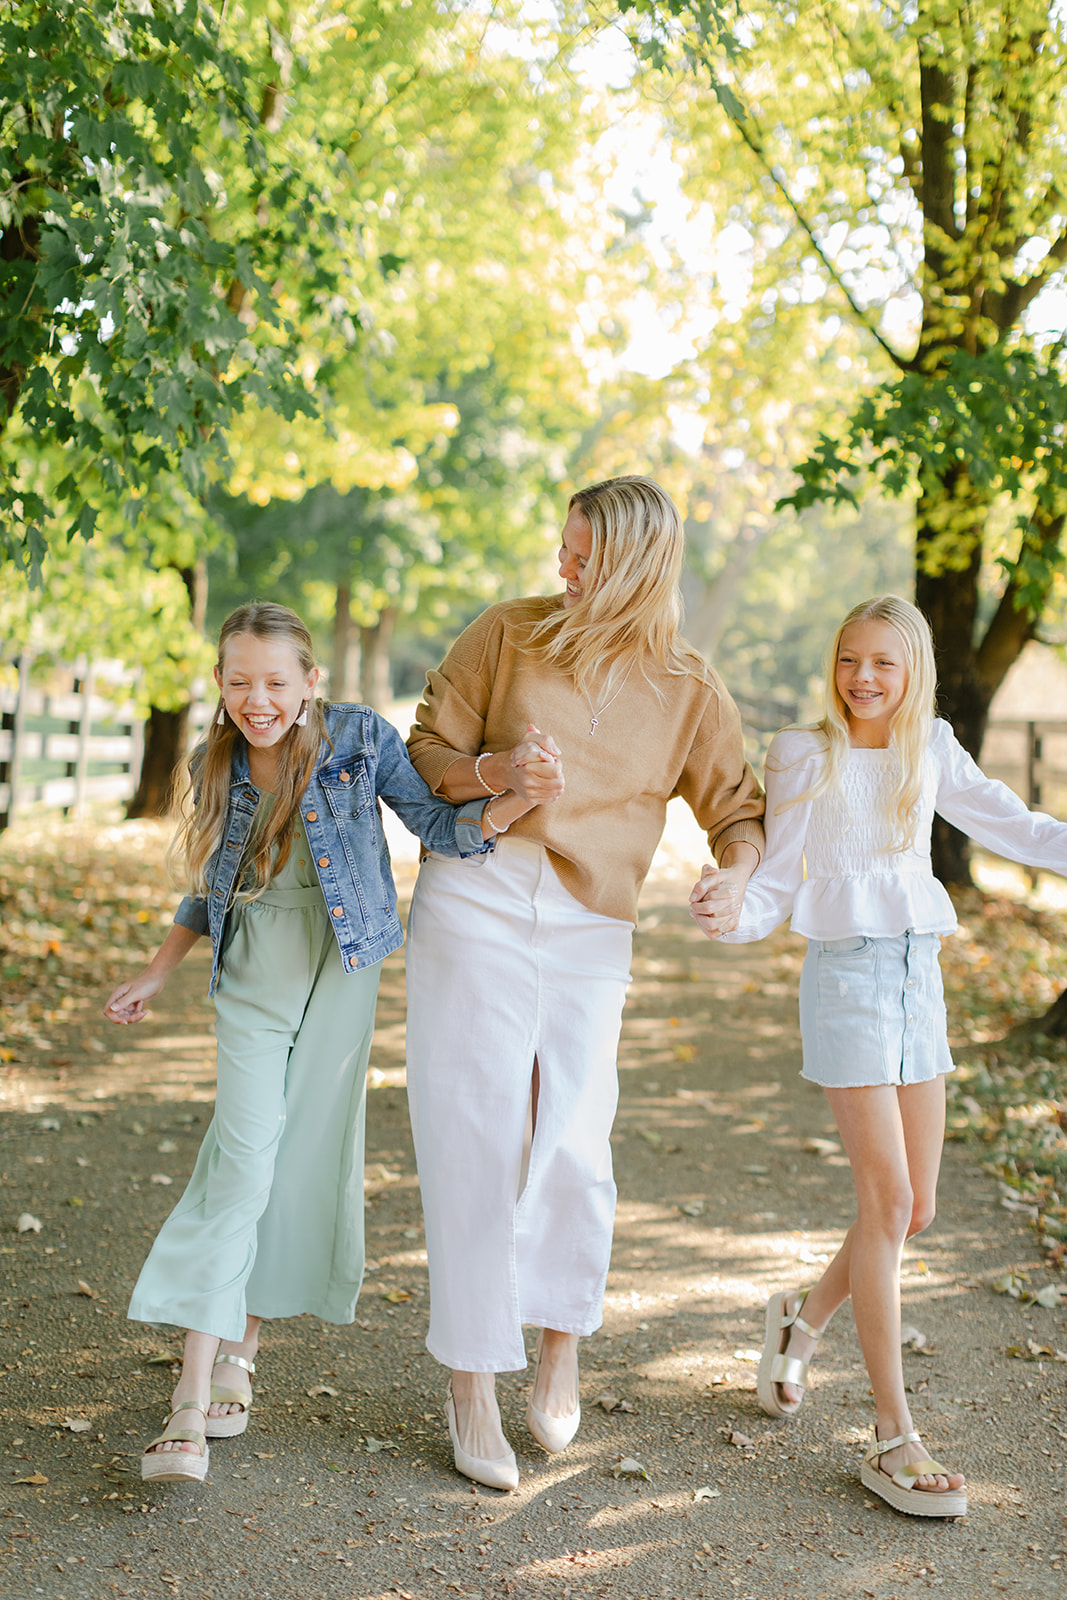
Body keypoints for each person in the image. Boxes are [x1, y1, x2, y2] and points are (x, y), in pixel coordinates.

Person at [103, 601, 553, 1486]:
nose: (255, 700)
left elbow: (434, 826)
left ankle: (241, 1348)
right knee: (241, 1163)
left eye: (274, 682)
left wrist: (513, 802)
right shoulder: (215, 759)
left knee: (301, 1157)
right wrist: (159, 969)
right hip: (255, 973)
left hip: (346, 969)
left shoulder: (358, 738)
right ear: (221, 683)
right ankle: (188, 1404)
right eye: (238, 682)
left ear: (310, 682)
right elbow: (211, 884)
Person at [404, 474, 765, 1490]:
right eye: (562, 546)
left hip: (589, 921)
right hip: (475, 890)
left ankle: (559, 1338)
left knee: (572, 1128)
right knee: (473, 1125)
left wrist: (731, 876)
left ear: (636, 564)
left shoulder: (687, 687)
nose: (562, 566)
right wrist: (501, 773)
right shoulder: (506, 633)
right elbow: (426, 749)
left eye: (583, 554)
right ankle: (470, 1374)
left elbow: (737, 811)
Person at [692, 594, 1067, 1518]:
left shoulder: (927, 747)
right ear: (834, 663)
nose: (863, 677)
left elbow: (1012, 823)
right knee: (887, 1202)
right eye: (850, 659)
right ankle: (893, 1438)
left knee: (918, 1210)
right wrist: (727, 909)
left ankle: (801, 1317)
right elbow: (776, 879)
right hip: (847, 982)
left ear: (913, 672)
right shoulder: (801, 753)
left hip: (917, 977)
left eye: (883, 664)